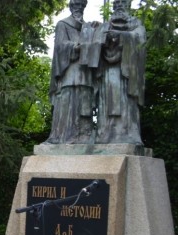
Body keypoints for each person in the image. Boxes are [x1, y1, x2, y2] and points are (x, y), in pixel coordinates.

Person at [46, 0, 99, 144]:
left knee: (85, 101)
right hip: (69, 70)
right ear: (71, 7)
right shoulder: (63, 24)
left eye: (81, 6)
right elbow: (60, 46)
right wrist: (76, 46)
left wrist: (96, 31)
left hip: (85, 72)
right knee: (68, 101)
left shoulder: (88, 27)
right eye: (76, 5)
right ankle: (63, 135)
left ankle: (84, 135)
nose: (79, 8)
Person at [96, 0, 146, 144]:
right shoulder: (106, 25)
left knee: (126, 103)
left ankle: (127, 134)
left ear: (128, 5)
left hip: (127, 72)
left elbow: (140, 40)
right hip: (108, 70)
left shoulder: (136, 24)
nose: (119, 5)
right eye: (116, 3)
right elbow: (96, 45)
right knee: (107, 102)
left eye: (122, 2)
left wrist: (120, 35)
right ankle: (105, 135)